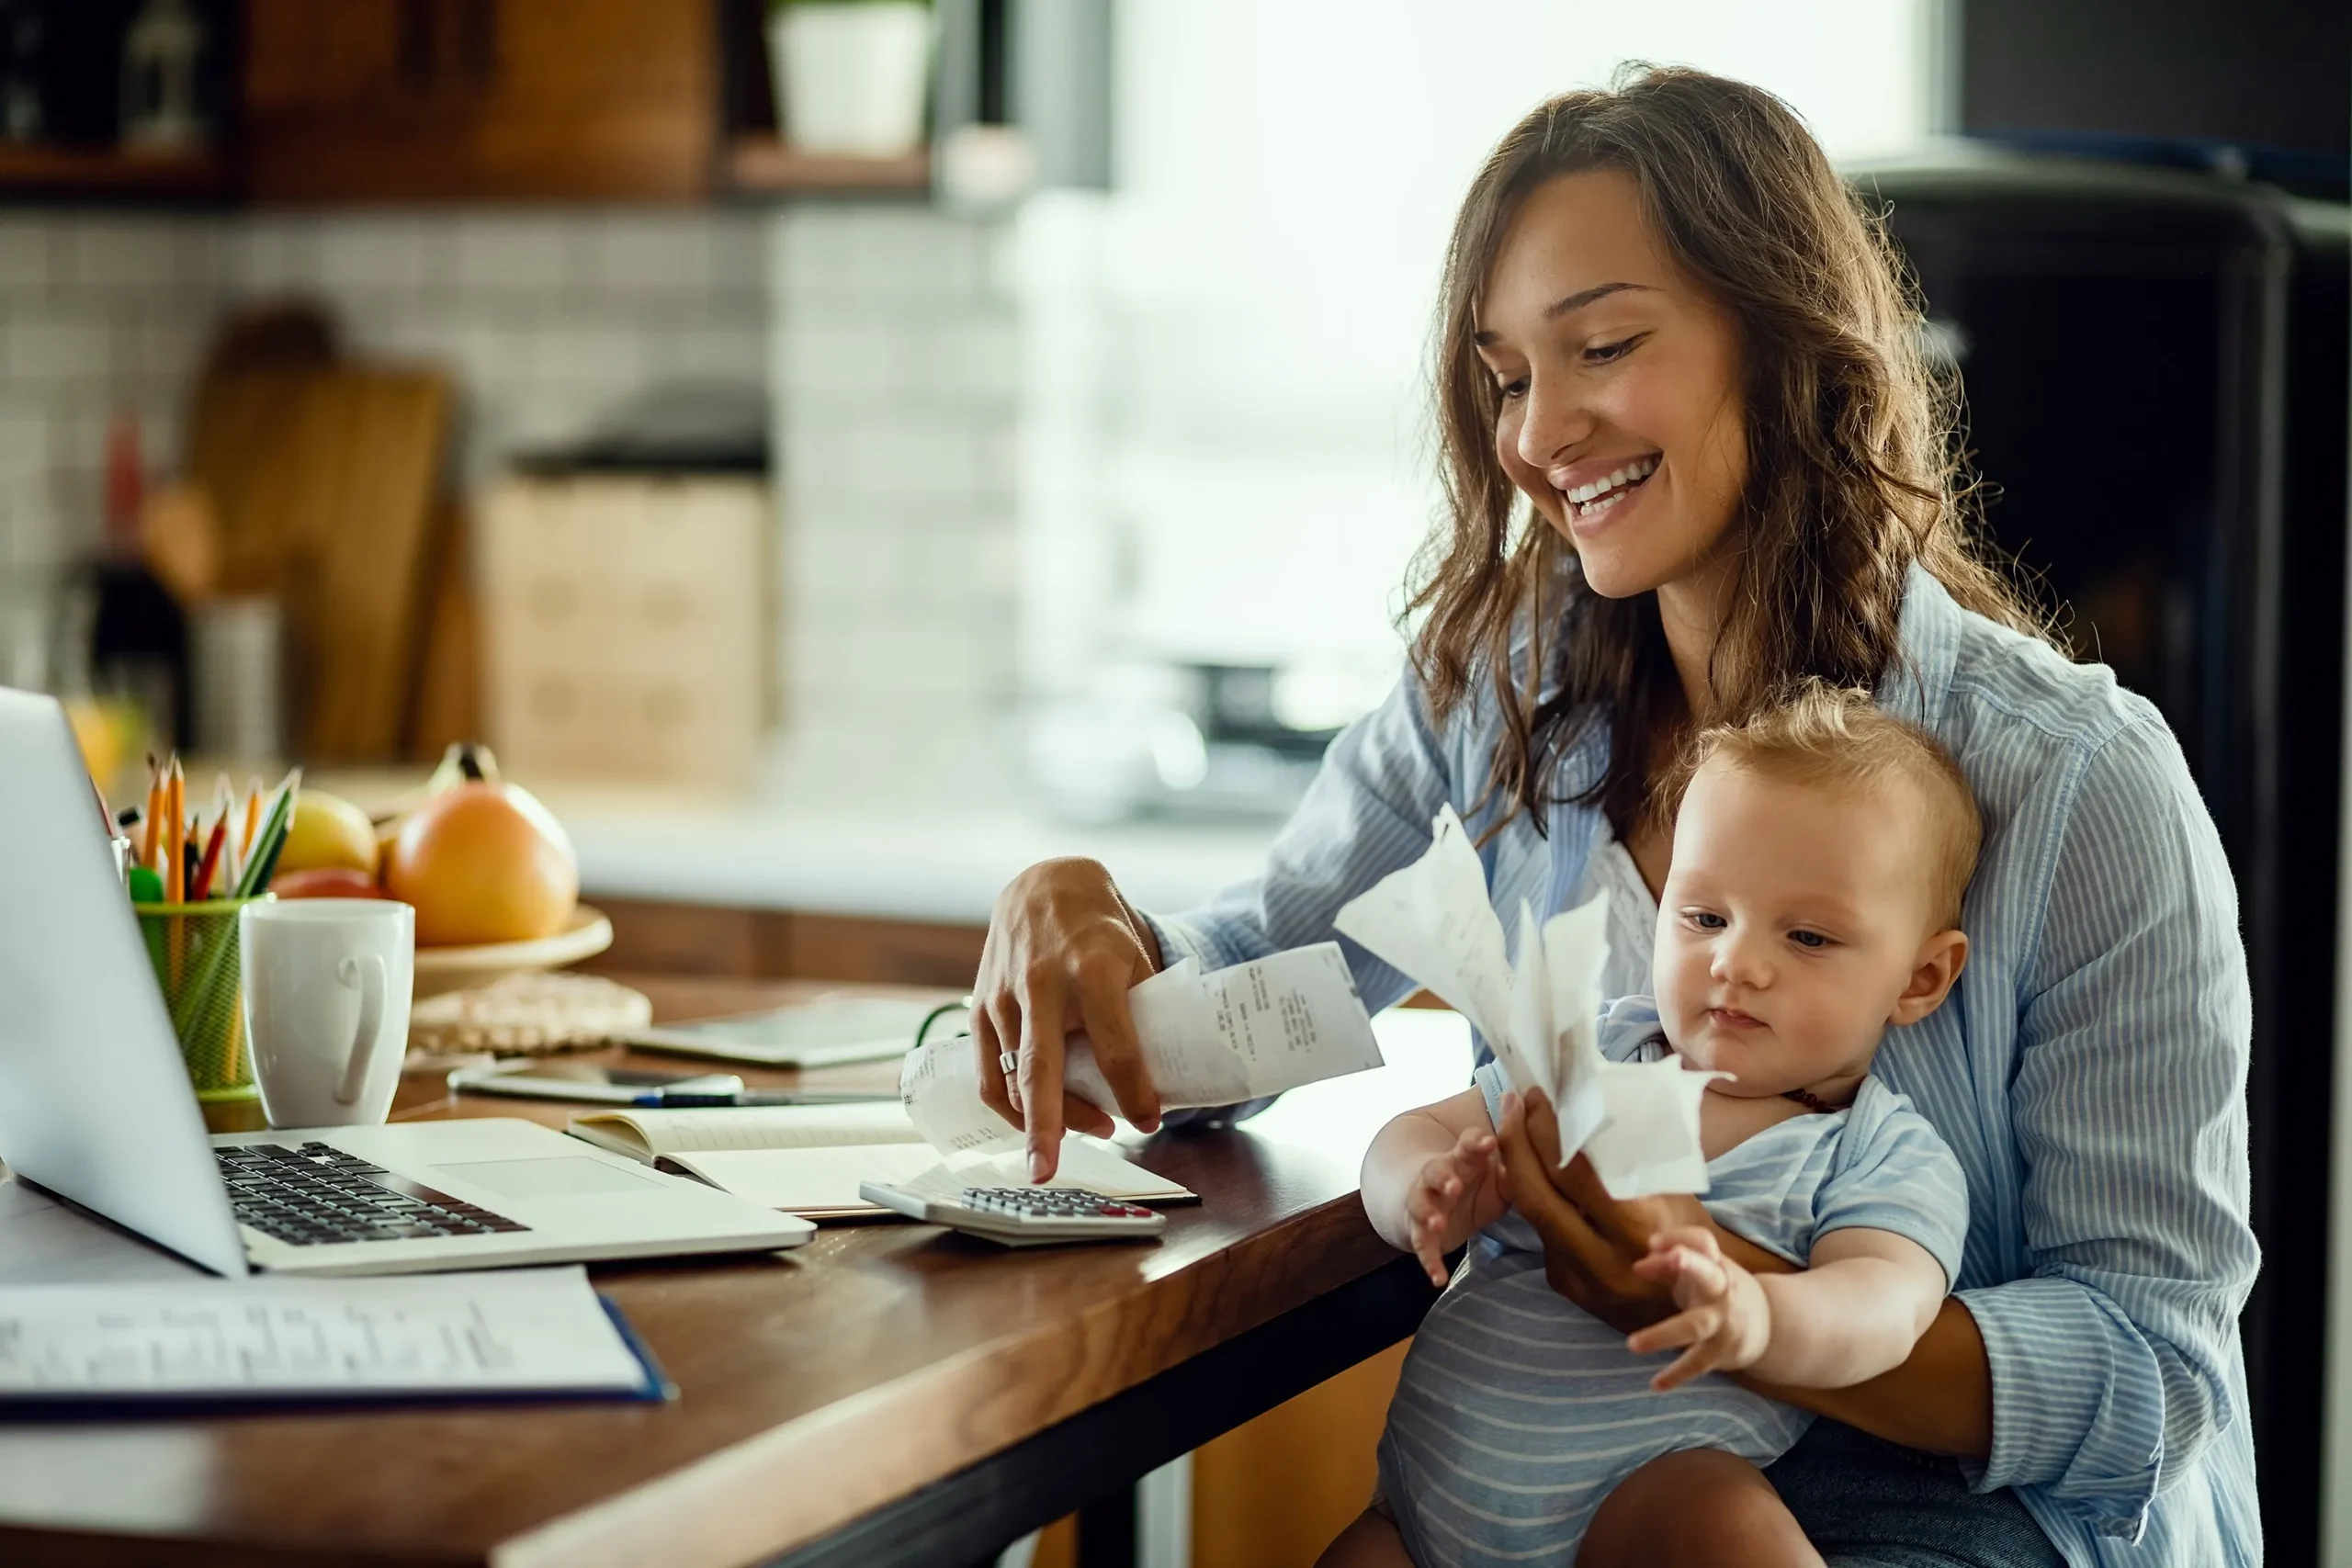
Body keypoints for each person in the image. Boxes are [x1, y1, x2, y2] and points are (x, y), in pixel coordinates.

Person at [972, 66, 2258, 1566]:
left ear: (1782, 345)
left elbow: (2149, 1365)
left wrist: (1745, 1307)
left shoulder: (2077, 780)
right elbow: (1272, 982)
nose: (1534, 435)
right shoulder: (1504, 692)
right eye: (1508, 374)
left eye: (1603, 345)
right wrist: (1096, 931)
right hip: (1549, 1483)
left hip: (1954, 1520)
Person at [1332, 684, 1977, 1567]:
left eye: (1811, 939)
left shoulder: (1875, 1151)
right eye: (1706, 917)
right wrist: (1422, 1187)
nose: (1736, 962)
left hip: (1639, 1506)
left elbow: (1887, 1305)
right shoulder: (1597, 1050)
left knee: (1726, 1525)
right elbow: (1410, 1131)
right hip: (1419, 1508)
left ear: (1920, 979)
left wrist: (1761, 1314)